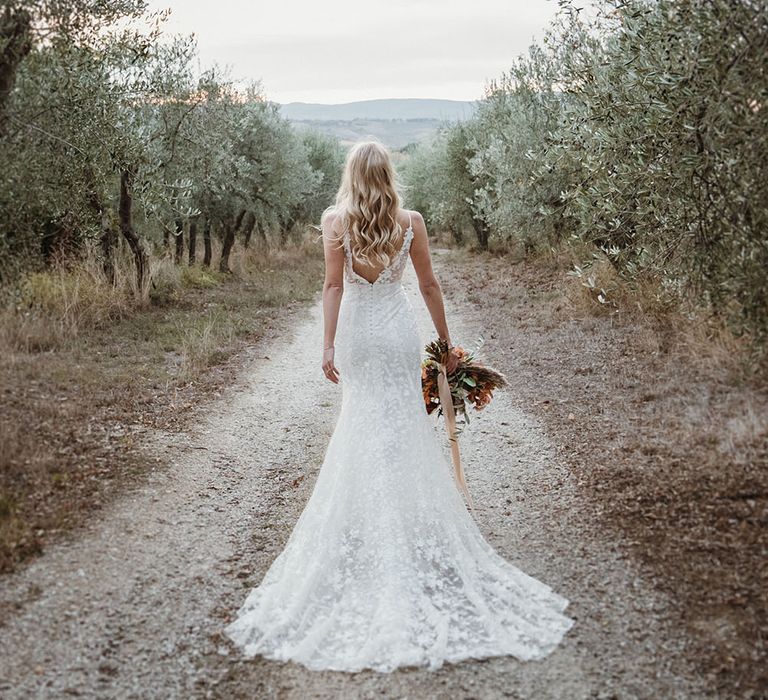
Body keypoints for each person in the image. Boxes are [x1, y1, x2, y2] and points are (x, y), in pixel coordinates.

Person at [224, 139, 574, 672]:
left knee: (359, 425)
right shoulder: (410, 221)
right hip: (394, 334)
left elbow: (332, 285)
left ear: (351, 175)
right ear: (387, 174)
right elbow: (429, 284)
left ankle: (367, 528)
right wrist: (445, 342)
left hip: (359, 338)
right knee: (403, 428)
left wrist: (327, 345)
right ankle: (403, 529)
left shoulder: (334, 221)